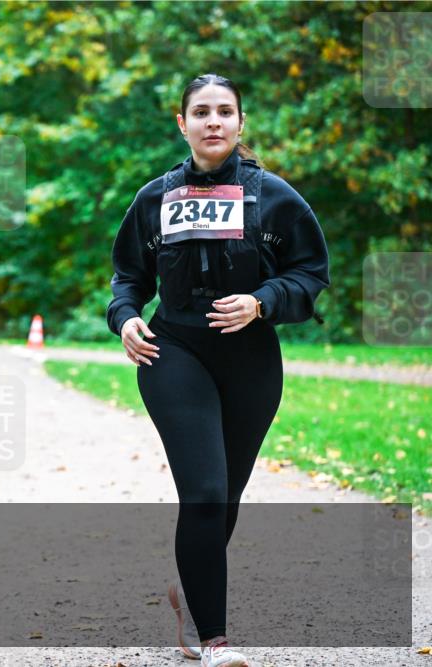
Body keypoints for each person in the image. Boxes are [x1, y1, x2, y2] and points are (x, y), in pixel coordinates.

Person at [105, 73, 329, 667]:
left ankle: (191, 585)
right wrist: (124, 316)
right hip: (173, 352)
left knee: (226, 497)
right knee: (204, 493)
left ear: (239, 123)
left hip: (251, 361)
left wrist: (263, 301)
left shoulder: (275, 197)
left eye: (224, 111)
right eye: (200, 111)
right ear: (182, 123)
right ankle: (215, 639)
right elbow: (128, 277)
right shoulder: (154, 198)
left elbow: (309, 274)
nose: (212, 121)